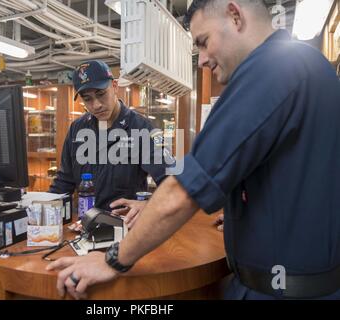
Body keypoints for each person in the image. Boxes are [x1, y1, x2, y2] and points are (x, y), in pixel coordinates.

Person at [46, 0, 340, 300]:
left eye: (203, 42)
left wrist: (112, 259)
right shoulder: (310, 66)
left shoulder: (272, 70)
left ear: (235, 16)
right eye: (86, 98)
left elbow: (180, 190)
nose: (200, 60)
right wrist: (245, 211)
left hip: (280, 291)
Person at [49, 60, 173, 228]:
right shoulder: (77, 129)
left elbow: (170, 181)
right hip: (85, 227)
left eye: (101, 94)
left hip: (126, 229)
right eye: (88, 99)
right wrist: (42, 211)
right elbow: (64, 182)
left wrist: (148, 206)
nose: (96, 105)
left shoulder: (141, 129)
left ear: (114, 86)